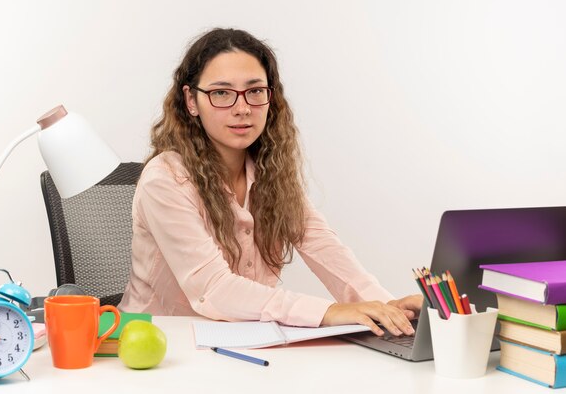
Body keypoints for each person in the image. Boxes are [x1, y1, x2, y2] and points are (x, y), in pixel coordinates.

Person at [118, 28, 422, 337]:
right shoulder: (166, 179)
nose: (242, 108)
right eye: (221, 93)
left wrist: (389, 306)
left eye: (255, 91)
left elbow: (325, 249)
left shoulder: (270, 173)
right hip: (160, 346)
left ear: (270, 97)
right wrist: (329, 312)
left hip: (244, 340)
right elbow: (215, 289)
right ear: (191, 101)